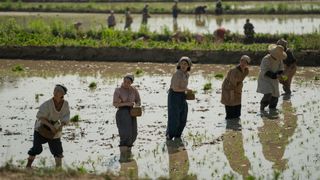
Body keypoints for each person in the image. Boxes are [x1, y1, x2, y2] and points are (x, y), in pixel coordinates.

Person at [26, 84, 70, 168]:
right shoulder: (47, 104)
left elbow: (66, 116)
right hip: (41, 128)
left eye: (58, 91)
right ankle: (28, 167)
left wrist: (61, 125)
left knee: (58, 151)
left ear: (62, 95)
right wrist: (50, 126)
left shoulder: (65, 104)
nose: (56, 92)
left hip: (55, 128)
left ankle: (58, 170)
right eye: (55, 90)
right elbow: (40, 117)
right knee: (36, 149)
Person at [113, 74, 141, 162]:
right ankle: (123, 157)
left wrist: (136, 105)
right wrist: (126, 104)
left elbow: (138, 100)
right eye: (125, 81)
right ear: (123, 81)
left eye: (128, 82)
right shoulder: (118, 90)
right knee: (125, 135)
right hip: (122, 113)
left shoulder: (134, 90)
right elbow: (115, 104)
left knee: (133, 134)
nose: (126, 83)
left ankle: (128, 155)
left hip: (132, 113)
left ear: (131, 83)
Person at [167, 57, 193, 141]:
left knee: (183, 117)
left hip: (182, 96)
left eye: (185, 64)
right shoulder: (177, 74)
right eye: (182, 63)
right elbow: (175, 88)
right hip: (174, 96)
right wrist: (186, 90)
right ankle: (170, 136)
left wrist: (186, 91)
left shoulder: (187, 74)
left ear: (188, 66)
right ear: (179, 65)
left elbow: (183, 87)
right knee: (174, 117)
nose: (183, 65)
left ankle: (178, 135)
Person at [257, 44, 287, 115]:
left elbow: (281, 68)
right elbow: (265, 70)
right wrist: (275, 75)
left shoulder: (279, 59)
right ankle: (262, 108)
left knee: (275, 96)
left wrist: (280, 74)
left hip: (274, 78)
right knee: (268, 93)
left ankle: (272, 110)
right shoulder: (266, 59)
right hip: (265, 78)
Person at [221, 55, 250, 120]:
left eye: (245, 62)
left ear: (247, 64)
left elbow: (240, 80)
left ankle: (235, 125)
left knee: (237, 111)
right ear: (240, 61)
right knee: (230, 105)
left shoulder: (246, 71)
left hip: (237, 89)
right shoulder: (234, 71)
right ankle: (229, 126)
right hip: (228, 88)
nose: (243, 63)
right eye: (242, 61)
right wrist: (232, 95)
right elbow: (231, 84)